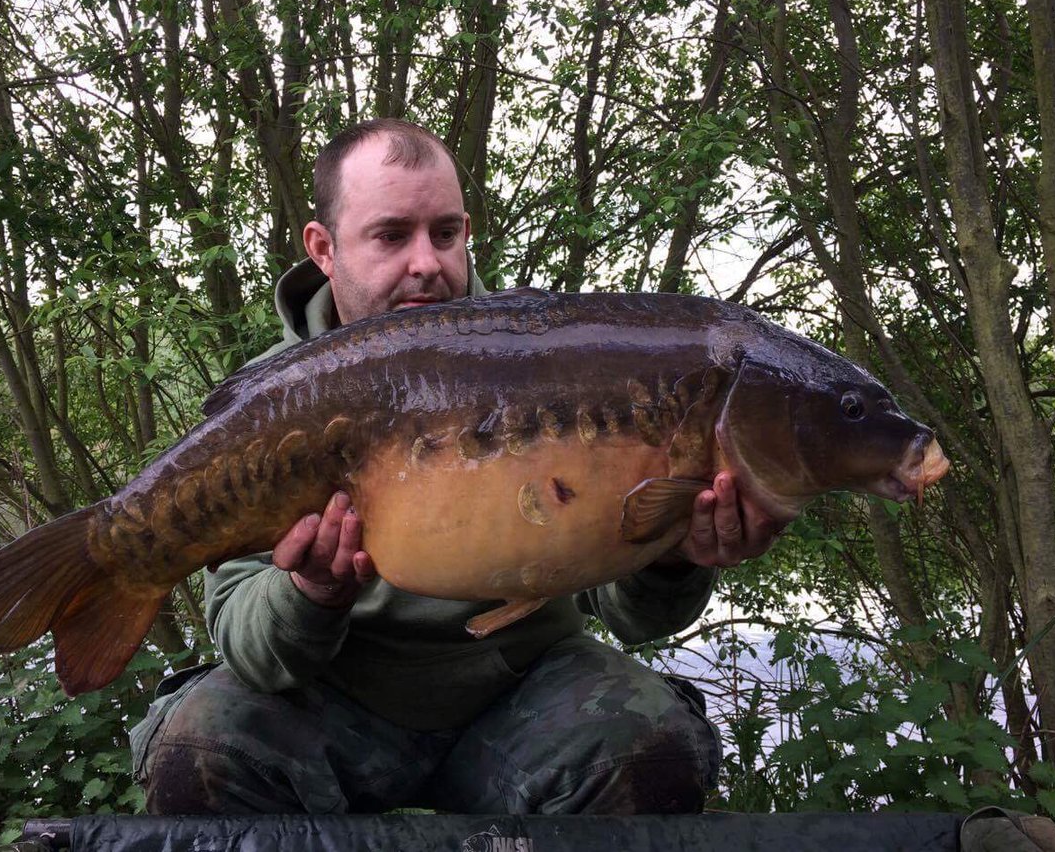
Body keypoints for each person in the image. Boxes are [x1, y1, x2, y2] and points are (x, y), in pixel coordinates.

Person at [129, 118, 786, 817]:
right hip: (338, 698)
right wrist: (311, 594)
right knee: (198, 750)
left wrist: (676, 557)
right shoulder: (270, 406)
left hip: (523, 689)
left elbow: (631, 617)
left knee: (650, 745)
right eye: (391, 235)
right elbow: (249, 647)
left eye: (445, 233)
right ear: (324, 248)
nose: (427, 263)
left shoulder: (557, 359)